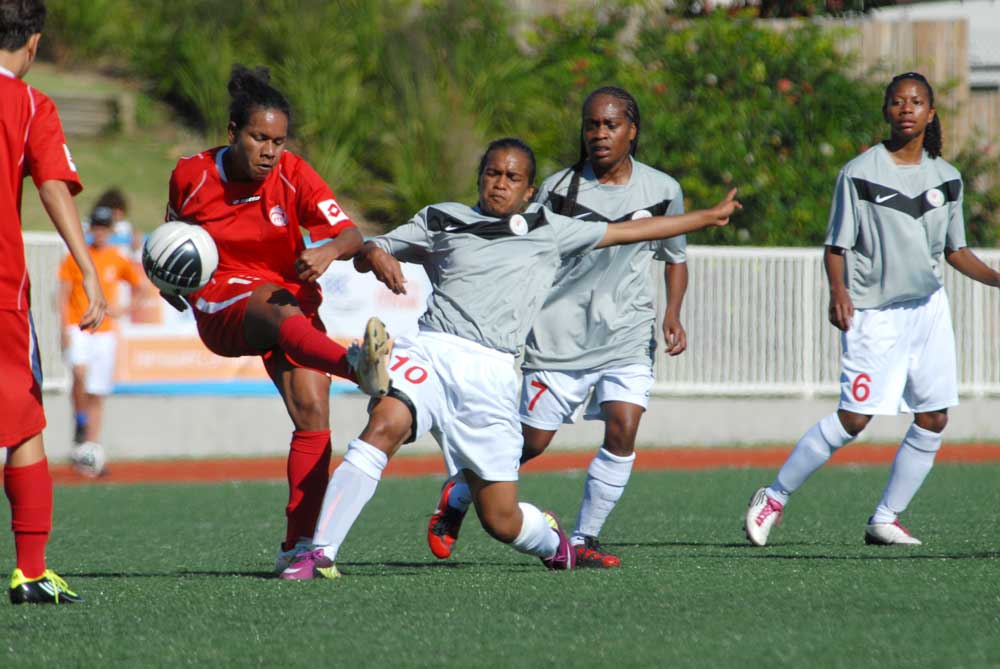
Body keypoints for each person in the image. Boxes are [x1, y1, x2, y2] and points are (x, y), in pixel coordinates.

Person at [279, 137, 739, 579]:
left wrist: (706, 217)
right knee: (385, 422)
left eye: (512, 177)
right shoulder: (443, 218)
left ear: (529, 190)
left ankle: (551, 541)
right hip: (433, 351)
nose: (500, 183)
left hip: (492, 374)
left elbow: (630, 230)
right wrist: (376, 254)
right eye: (492, 173)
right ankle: (320, 553)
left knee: (500, 520)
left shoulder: (549, 229)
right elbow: (369, 250)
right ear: (480, 177)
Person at [426, 86, 688, 568]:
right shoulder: (557, 189)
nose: (599, 134)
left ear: (632, 130)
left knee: (624, 425)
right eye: (591, 125)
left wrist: (672, 312)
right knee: (531, 443)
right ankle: (459, 493)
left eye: (610, 125)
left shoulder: (664, 190)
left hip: (628, 334)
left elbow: (675, 256)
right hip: (558, 336)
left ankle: (585, 537)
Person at [744, 72, 1000, 547]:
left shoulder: (947, 178)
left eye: (916, 102)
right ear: (886, 110)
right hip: (874, 312)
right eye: (897, 101)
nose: (906, 109)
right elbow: (835, 246)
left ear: (930, 113)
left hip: (927, 310)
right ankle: (773, 496)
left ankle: (885, 518)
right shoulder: (859, 172)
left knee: (934, 417)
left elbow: (956, 250)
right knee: (854, 419)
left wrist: (997, 279)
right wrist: (838, 292)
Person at [164, 64, 391, 572]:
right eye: (259, 138)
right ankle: (355, 366)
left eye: (278, 141)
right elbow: (171, 241)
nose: (270, 150)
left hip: (289, 303)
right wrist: (169, 282)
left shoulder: (293, 173)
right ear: (232, 133)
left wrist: (328, 250)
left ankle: (299, 546)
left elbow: (350, 234)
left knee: (313, 411)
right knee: (272, 300)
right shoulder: (191, 175)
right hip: (224, 302)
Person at [0, 0, 107, 604]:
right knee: (24, 422)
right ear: (34, 43)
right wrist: (88, 269)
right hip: (1, 292)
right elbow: (52, 187)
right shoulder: (29, 104)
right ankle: (31, 571)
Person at [59, 204, 143, 476]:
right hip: (79, 326)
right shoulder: (75, 257)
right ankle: (80, 420)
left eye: (104, 227)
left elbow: (139, 286)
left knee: (97, 391)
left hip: (104, 331)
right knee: (79, 373)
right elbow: (62, 294)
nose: (100, 232)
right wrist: (63, 329)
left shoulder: (117, 258)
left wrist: (124, 310)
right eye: (97, 226)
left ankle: (90, 449)